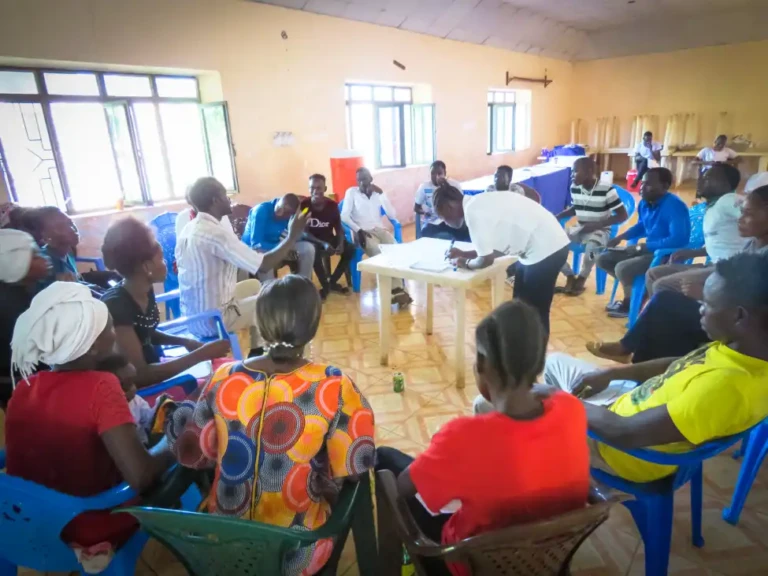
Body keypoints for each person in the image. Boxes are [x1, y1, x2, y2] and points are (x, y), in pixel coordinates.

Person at [164, 275, 375, 576]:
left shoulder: (224, 376)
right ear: (313, 328)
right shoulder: (333, 384)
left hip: (222, 545)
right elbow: (356, 468)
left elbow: (192, 451)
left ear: (260, 326)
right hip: (294, 551)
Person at [377, 301, 589, 576]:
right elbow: (548, 394)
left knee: (385, 461)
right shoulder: (571, 409)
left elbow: (403, 488)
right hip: (548, 557)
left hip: (469, 563)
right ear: (538, 364)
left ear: (483, 365)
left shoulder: (463, 438)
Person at [544, 252, 768, 485]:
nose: (699, 309)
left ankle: (570, 483)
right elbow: (679, 363)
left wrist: (560, 400)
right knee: (555, 362)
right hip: (628, 409)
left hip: (621, 452)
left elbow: (624, 432)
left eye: (706, 304)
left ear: (739, 315)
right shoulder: (741, 348)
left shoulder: (726, 387)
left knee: (522, 423)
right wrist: (612, 374)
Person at [4, 282, 176, 556]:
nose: (114, 333)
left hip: (23, 523)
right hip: (88, 526)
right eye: (109, 327)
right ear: (94, 345)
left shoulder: (25, 387)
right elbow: (141, 476)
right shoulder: (101, 386)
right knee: (186, 461)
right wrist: (175, 442)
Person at [588, 184, 768, 364]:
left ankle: (636, 356)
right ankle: (637, 354)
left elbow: (754, 307)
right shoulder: (756, 242)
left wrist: (706, 296)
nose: (740, 219)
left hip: (740, 323)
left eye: (748, 213)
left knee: (665, 302)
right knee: (662, 296)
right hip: (724, 299)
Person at [176, 177, 308, 352]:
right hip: (212, 320)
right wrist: (292, 236)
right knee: (268, 301)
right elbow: (264, 265)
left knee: (254, 285)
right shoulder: (216, 234)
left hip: (193, 315)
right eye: (225, 195)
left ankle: (256, 348)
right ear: (215, 201)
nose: (229, 199)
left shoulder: (190, 228)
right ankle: (260, 355)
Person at [101, 217, 231, 389]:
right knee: (218, 386)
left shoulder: (143, 288)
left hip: (156, 368)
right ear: (147, 267)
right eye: (161, 259)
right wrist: (201, 354)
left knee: (224, 372)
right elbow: (139, 375)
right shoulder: (116, 305)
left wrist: (186, 342)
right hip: (140, 391)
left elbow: (145, 333)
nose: (166, 264)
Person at [437, 185, 569, 332]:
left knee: (536, 311)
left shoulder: (472, 212)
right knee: (520, 306)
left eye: (443, 217)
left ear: (449, 207)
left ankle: (535, 353)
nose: (445, 222)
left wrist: (464, 263)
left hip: (546, 248)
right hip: (541, 245)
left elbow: (486, 260)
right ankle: (522, 349)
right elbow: (492, 251)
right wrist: (464, 253)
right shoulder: (478, 202)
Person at [597, 167, 690, 318]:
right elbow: (642, 226)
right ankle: (635, 294)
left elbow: (678, 239)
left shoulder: (675, 206)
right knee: (603, 259)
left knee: (623, 268)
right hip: (649, 249)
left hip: (668, 254)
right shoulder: (645, 203)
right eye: (642, 183)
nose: (642, 187)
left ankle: (633, 302)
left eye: (649, 184)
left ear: (665, 186)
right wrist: (620, 238)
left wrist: (644, 246)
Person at [644, 163, 746, 300]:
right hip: (712, 265)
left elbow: (756, 216)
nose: (700, 181)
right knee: (653, 274)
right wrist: (694, 252)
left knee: (663, 285)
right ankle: (660, 316)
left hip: (728, 270)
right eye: (701, 177)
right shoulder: (713, 206)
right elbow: (723, 243)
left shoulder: (728, 200)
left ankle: (675, 318)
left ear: (726, 184)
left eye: (707, 178)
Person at [556, 158, 628, 296]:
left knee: (591, 250)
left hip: (600, 230)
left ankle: (582, 277)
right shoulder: (574, 187)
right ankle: (569, 275)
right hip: (580, 228)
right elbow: (576, 208)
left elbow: (622, 215)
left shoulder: (607, 190)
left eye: (575, 171)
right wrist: (557, 216)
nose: (572, 175)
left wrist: (597, 225)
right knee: (552, 244)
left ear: (589, 172)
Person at [341, 167, 412, 307]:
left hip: (380, 230)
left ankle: (396, 290)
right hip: (363, 232)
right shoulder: (351, 193)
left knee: (396, 250)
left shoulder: (377, 194)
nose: (362, 183)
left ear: (371, 179)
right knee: (379, 253)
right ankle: (395, 290)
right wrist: (358, 230)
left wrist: (382, 195)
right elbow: (344, 215)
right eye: (359, 180)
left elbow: (392, 215)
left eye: (365, 179)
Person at [0, 229, 52, 407]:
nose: (44, 257)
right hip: (22, 390)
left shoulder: (22, 292)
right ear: (15, 262)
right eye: (35, 254)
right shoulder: (12, 305)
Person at [300, 174, 355, 299]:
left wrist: (340, 243)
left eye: (319, 188)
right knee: (313, 252)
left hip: (328, 238)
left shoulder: (332, 205)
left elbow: (338, 228)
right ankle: (325, 286)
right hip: (312, 240)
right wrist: (322, 244)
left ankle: (331, 282)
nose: (315, 191)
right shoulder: (304, 206)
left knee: (350, 249)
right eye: (312, 188)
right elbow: (304, 232)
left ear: (325, 189)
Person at [242, 193, 315, 281]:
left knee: (308, 248)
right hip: (253, 250)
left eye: (285, 213)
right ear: (278, 202)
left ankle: (303, 283)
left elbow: (295, 237)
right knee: (266, 261)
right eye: (278, 210)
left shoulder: (291, 215)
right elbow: (257, 246)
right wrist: (284, 250)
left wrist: (300, 227)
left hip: (277, 244)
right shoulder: (260, 211)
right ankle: (270, 289)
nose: (279, 214)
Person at [414, 160, 468, 241]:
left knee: (464, 232)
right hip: (433, 221)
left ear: (445, 173)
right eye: (433, 173)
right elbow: (416, 208)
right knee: (425, 232)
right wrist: (424, 213)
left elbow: (462, 204)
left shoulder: (454, 185)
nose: (436, 176)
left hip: (452, 220)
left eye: (439, 173)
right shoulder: (424, 187)